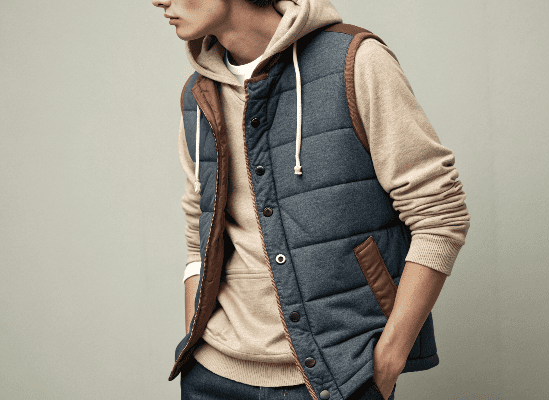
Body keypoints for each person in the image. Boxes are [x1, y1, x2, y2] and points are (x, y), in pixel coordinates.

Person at [151, 0, 471, 399]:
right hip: (213, 377)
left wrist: (388, 359)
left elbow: (441, 214)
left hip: (339, 378)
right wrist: (195, 339)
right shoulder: (199, 95)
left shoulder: (355, 61)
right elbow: (197, 234)